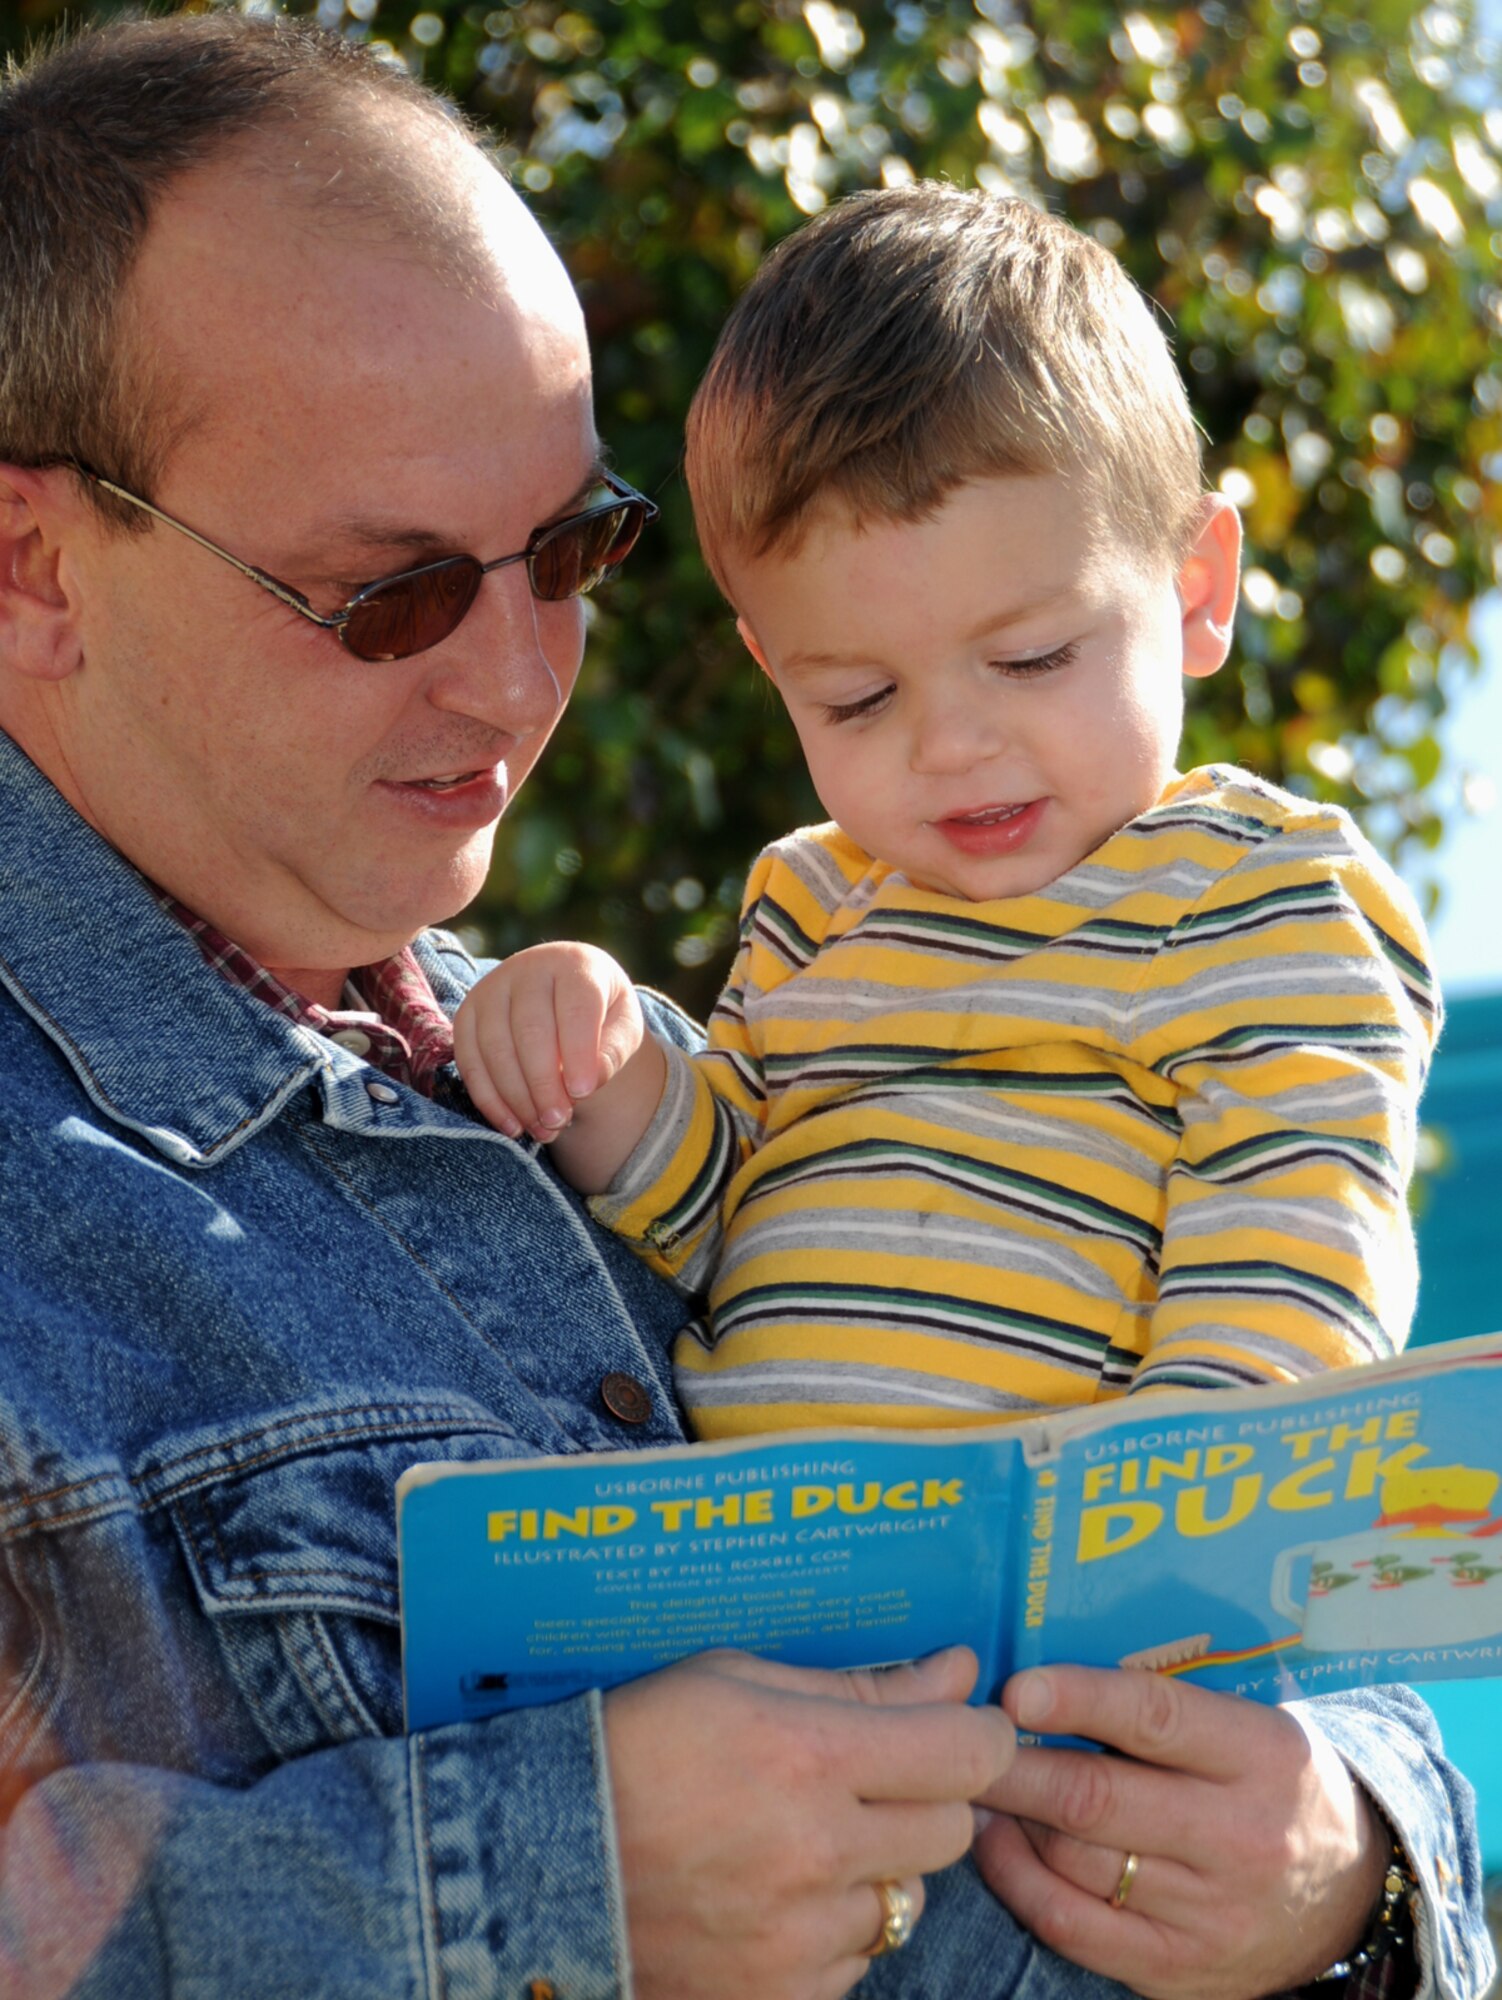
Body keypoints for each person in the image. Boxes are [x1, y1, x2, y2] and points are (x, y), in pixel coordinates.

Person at [0, 14, 1489, 2000]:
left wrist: (1350, 1863)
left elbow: (1263, 1552)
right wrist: (548, 1878)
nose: (525, 681)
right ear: (33, 562)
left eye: (574, 550)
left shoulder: (550, 1043)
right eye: (392, 593)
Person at [454, 186, 1438, 1440]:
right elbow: (712, 1214)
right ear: (775, 670)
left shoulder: (1257, 898)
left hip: (1087, 1587)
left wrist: (1159, 1529)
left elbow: (1292, 1259)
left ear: (1193, 591)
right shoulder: (815, 906)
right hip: (760, 1575)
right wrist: (597, 1062)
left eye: (1029, 659)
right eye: (859, 698)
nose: (950, 745)